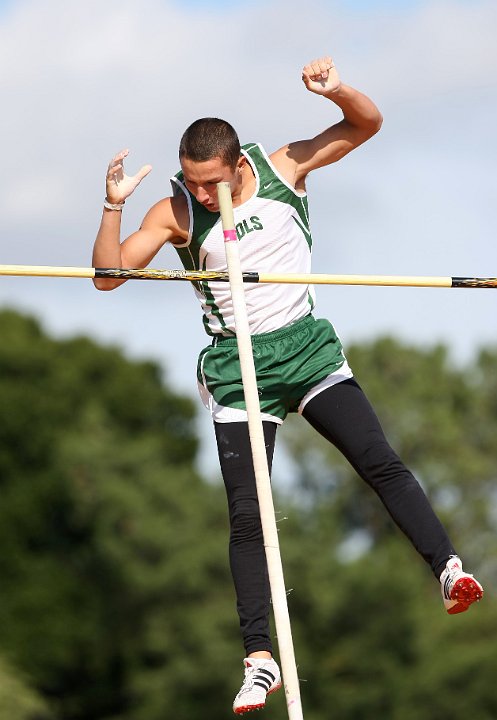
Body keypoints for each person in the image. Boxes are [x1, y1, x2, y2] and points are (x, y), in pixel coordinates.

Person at [92, 55, 484, 715]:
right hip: (236, 367)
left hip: (303, 350)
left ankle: (448, 570)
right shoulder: (177, 211)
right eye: (192, 183)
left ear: (237, 163)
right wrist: (112, 206)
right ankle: (258, 660)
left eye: (211, 182)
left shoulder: (281, 169)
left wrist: (335, 91)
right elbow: (106, 276)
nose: (203, 196)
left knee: (378, 462)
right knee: (248, 515)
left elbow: (365, 125)